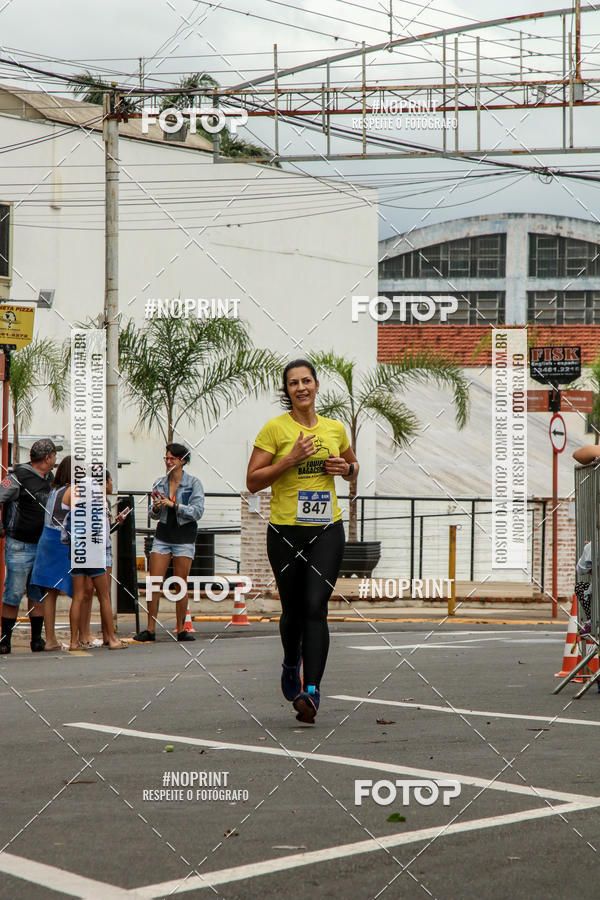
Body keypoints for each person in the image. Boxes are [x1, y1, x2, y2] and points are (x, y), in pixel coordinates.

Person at [246, 359, 359, 724]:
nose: (301, 388)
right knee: (293, 611)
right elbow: (253, 480)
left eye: (306, 381)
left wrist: (346, 469)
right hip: (285, 532)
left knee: (315, 606)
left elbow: (352, 467)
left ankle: (311, 690)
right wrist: (290, 459)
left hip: (327, 529)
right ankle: (291, 661)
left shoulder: (334, 428)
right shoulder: (275, 430)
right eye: (293, 383)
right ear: (287, 390)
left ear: (316, 385)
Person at [134, 443, 205, 643]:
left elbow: (197, 511)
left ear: (182, 461)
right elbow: (153, 514)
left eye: (172, 458)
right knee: (153, 582)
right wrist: (157, 508)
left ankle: (181, 629)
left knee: (180, 585)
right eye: (166, 458)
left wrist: (174, 505)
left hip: (184, 537)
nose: (168, 462)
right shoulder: (159, 483)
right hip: (163, 536)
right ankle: (150, 629)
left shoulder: (193, 484)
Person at [0, 439, 57, 654]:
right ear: (47, 458)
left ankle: (36, 640)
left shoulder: (50, 479)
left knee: (37, 593)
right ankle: (5, 640)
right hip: (19, 545)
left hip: (42, 545)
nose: (54, 459)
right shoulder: (17, 477)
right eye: (53, 455)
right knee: (13, 593)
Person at [63, 470, 127, 651]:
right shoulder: (99, 508)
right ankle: (112, 639)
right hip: (96, 554)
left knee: (77, 597)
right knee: (104, 596)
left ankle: (74, 642)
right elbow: (105, 535)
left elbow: (65, 535)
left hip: (77, 553)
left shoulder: (74, 511)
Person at [30, 455, 73, 651]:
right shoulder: (72, 491)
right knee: (80, 589)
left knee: (50, 592)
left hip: (46, 539)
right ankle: (78, 637)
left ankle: (50, 639)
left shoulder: (54, 490)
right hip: (60, 542)